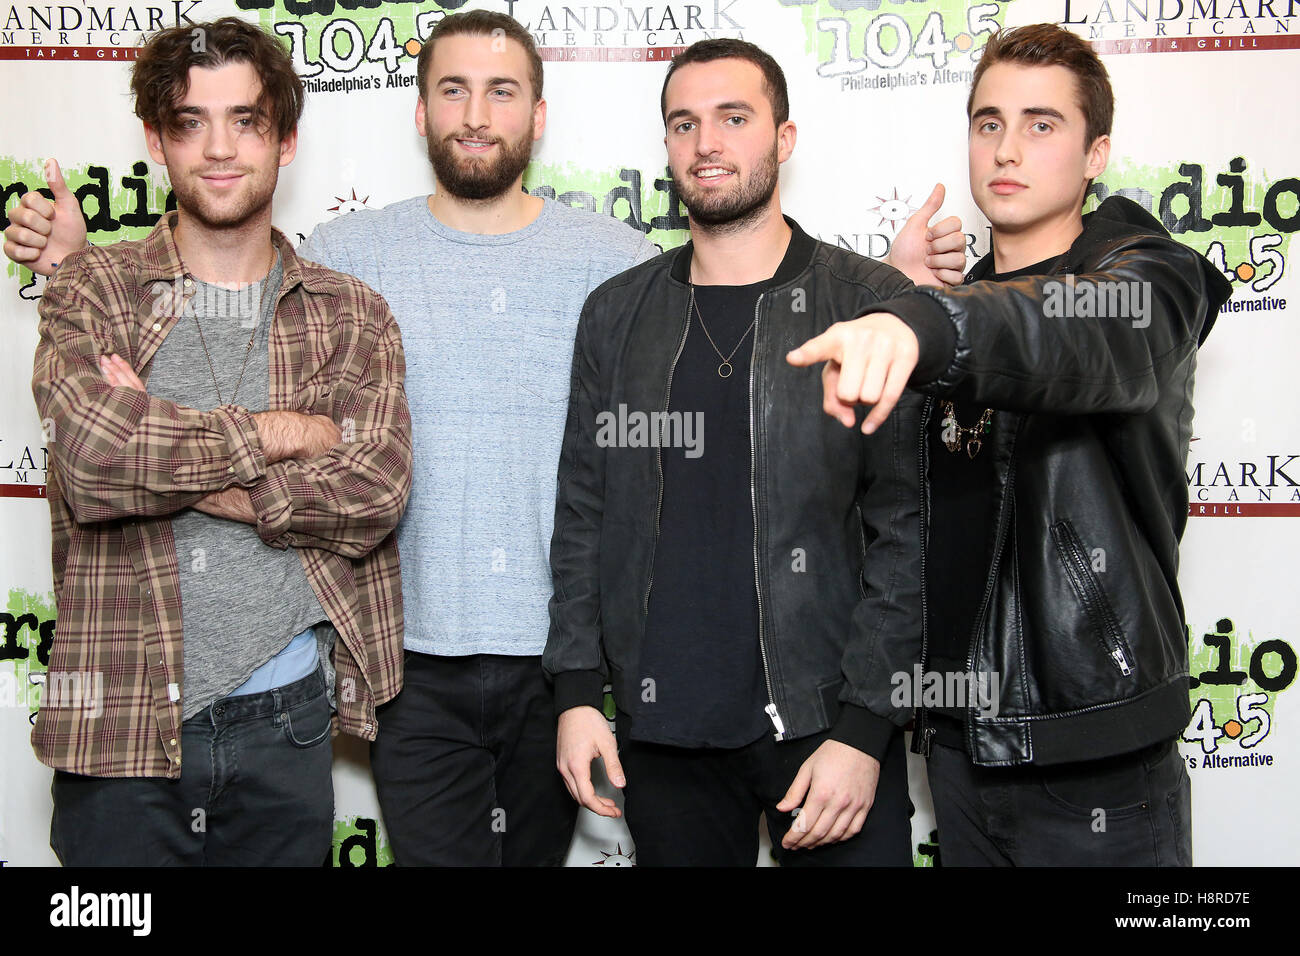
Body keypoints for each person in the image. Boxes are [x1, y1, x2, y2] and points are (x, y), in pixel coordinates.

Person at [6, 12, 960, 867]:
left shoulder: (615, 266)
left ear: (537, 117)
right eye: (451, 90)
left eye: (501, 91)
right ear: (418, 115)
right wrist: (89, 272)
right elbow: (212, 267)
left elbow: (745, 294)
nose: (475, 114)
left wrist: (888, 297)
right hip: (409, 671)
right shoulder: (345, 266)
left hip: (560, 665)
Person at [788, 23, 1233, 866]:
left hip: (1094, 756)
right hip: (961, 750)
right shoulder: (956, 308)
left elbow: (1065, 335)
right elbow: (894, 520)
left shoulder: (1147, 278)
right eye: (988, 122)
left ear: (1096, 153)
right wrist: (901, 294)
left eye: (1042, 125)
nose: (1007, 148)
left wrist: (924, 321)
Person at [546, 38, 966, 866]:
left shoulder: (870, 305)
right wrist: (573, 694)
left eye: (734, 118)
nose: (708, 143)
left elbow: (906, 535)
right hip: (662, 733)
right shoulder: (616, 315)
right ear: (666, 145)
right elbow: (583, 516)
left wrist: (864, 729)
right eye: (684, 123)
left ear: (784, 136)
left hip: (824, 732)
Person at [28, 17, 412, 866]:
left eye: (245, 120)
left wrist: (162, 450)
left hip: (288, 731)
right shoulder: (96, 286)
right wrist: (286, 435)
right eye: (190, 122)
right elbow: (93, 460)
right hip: (119, 729)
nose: (220, 149)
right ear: (156, 142)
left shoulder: (348, 313)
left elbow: (374, 491)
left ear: (286, 139)